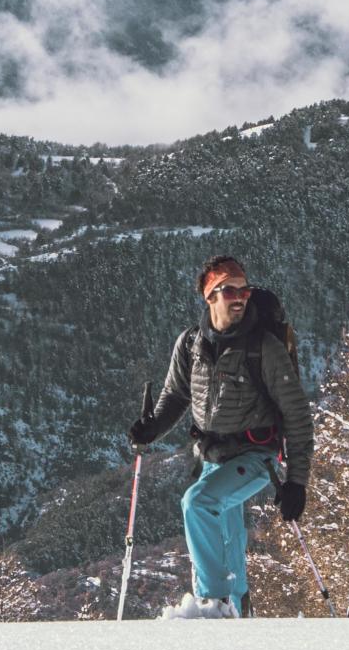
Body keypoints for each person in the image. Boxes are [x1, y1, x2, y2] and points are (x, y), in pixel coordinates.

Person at [128, 256, 314, 619]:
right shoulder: (190, 345)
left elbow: (297, 416)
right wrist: (151, 427)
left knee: (198, 504)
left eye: (244, 289)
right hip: (213, 455)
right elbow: (176, 395)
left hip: (257, 455)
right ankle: (239, 605)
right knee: (226, 531)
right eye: (230, 289)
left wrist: (297, 482)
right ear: (210, 296)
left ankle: (213, 603)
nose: (240, 296)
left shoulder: (266, 349)